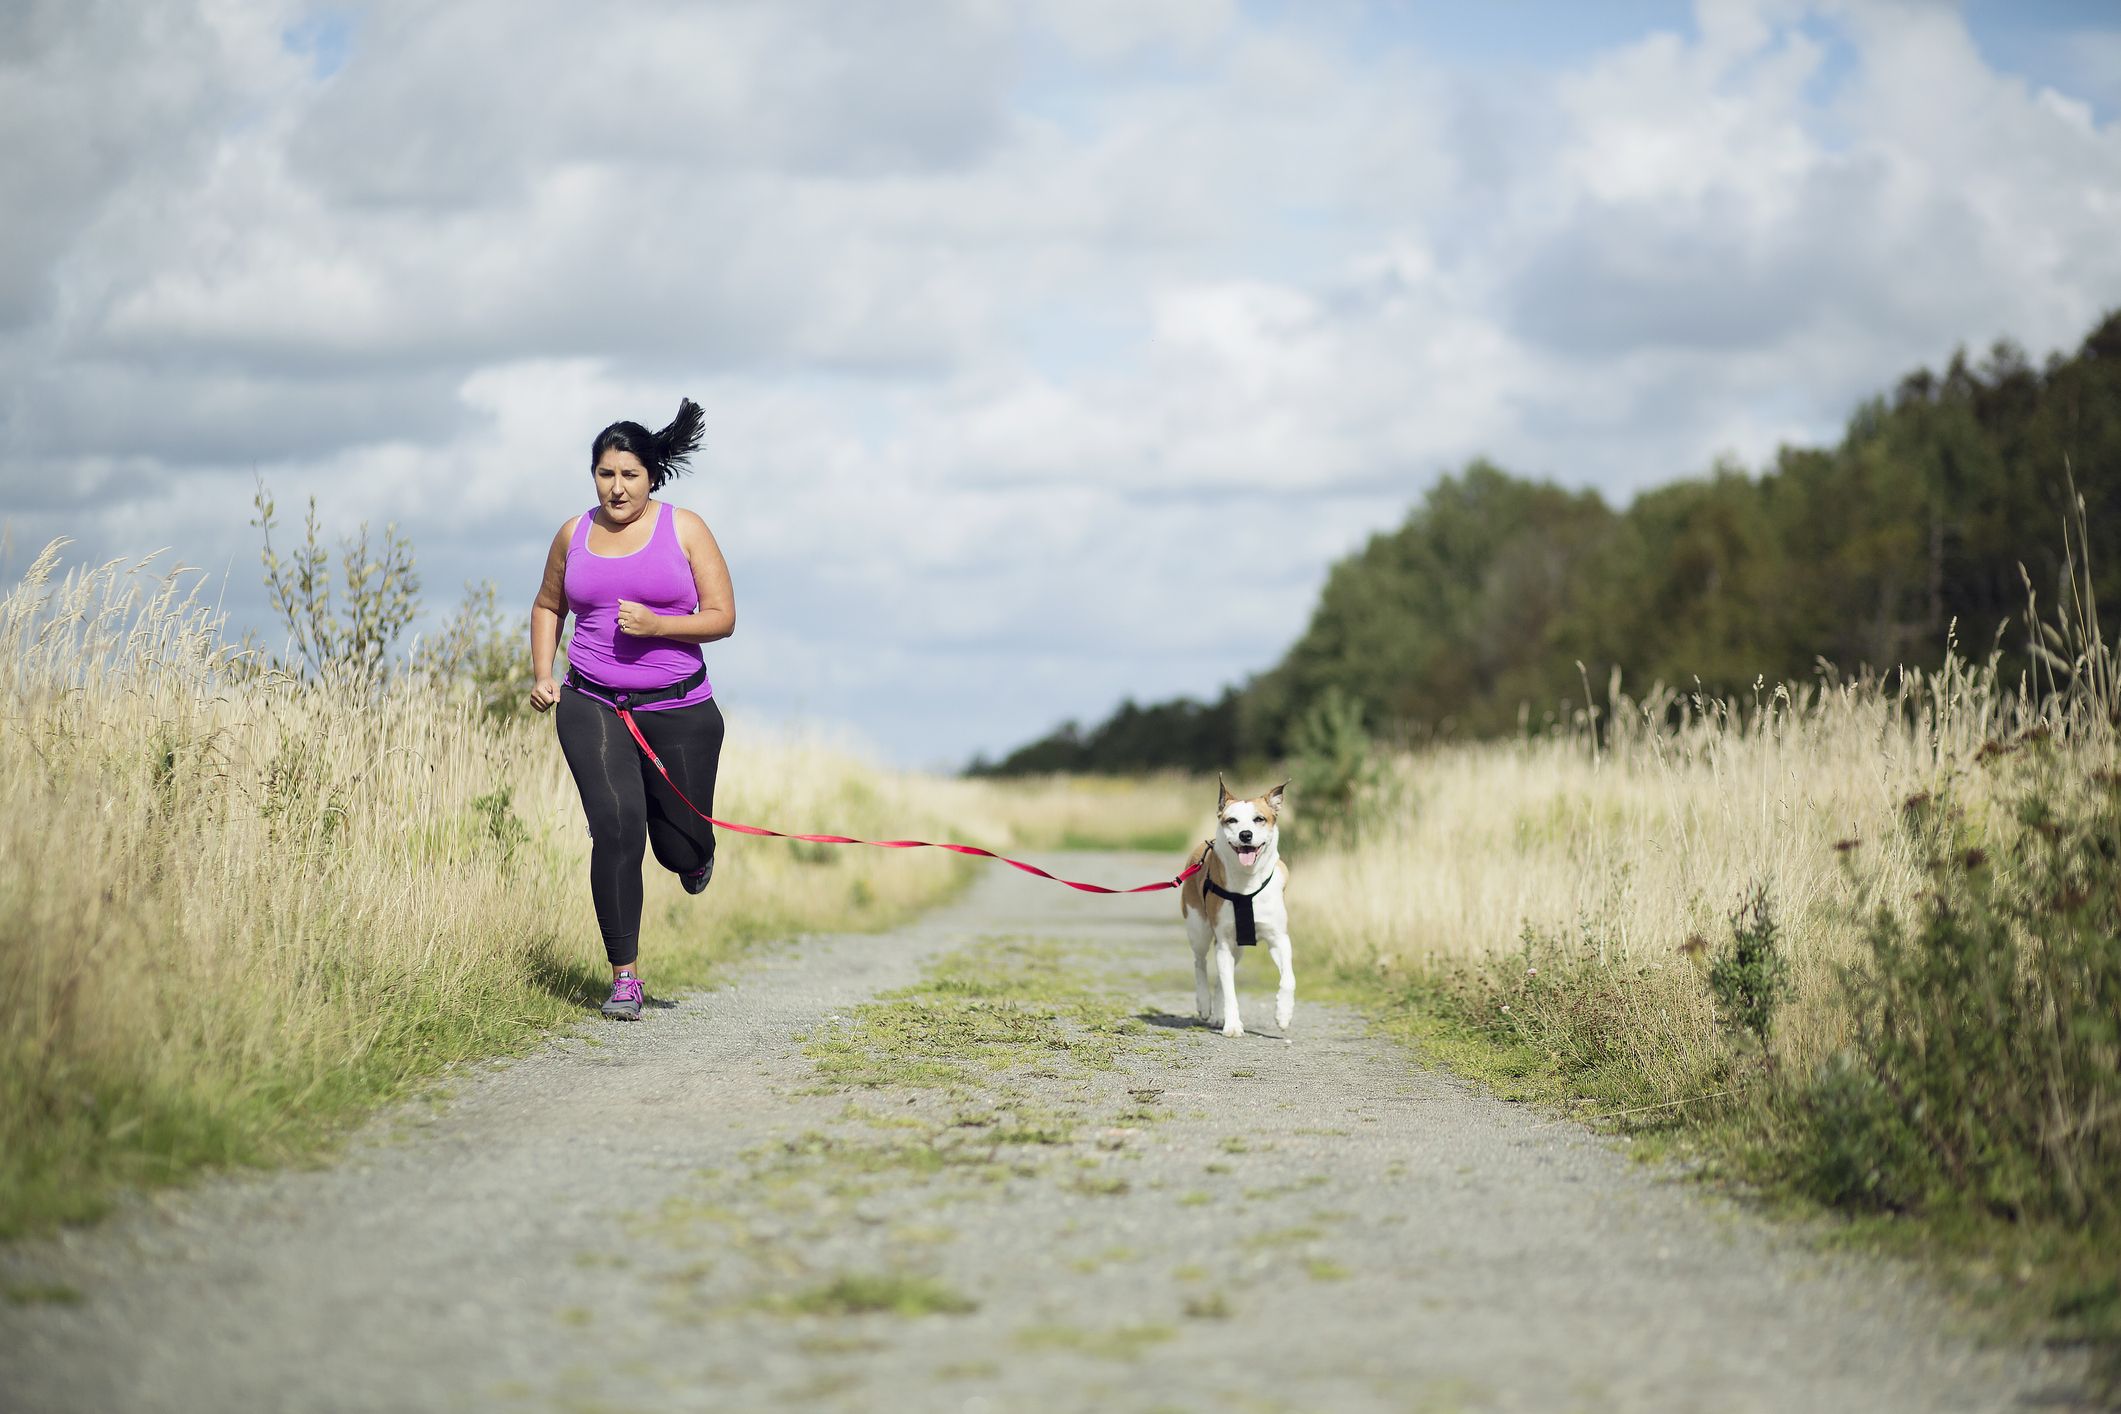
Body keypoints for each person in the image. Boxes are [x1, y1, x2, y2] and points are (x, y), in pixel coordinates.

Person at [529, 399, 735, 1020]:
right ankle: (624, 976)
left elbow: (722, 618)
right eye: (605, 474)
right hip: (592, 702)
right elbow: (547, 606)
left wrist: (658, 624)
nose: (616, 488)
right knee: (617, 828)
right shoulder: (574, 534)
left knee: (677, 847)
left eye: (630, 475)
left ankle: (697, 854)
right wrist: (544, 673)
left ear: (652, 477)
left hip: (679, 709)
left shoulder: (687, 529)